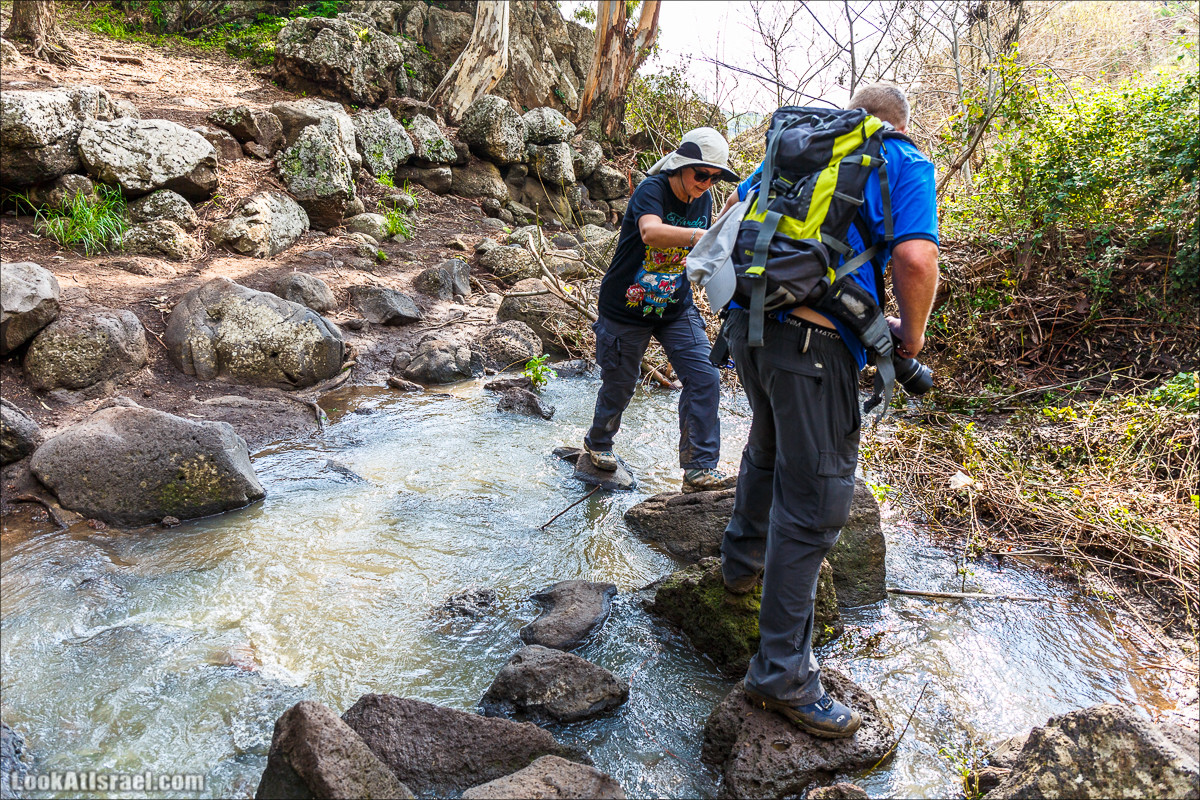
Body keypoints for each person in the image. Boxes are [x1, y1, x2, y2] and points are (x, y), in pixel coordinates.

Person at [717, 84, 940, 737]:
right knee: (815, 506)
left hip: (747, 328)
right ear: (899, 122)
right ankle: (782, 675)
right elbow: (915, 256)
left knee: (768, 443)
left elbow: (737, 206)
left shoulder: (798, 146)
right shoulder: (900, 157)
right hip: (813, 345)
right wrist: (912, 336)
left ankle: (740, 564)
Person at [584, 128, 740, 493]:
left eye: (714, 178)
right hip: (625, 309)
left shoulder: (703, 198)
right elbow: (651, 232)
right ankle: (598, 443)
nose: (706, 183)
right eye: (701, 175)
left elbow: (716, 235)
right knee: (620, 384)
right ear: (682, 166)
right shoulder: (652, 190)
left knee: (705, 377)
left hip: (675, 307)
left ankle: (699, 468)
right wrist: (697, 237)